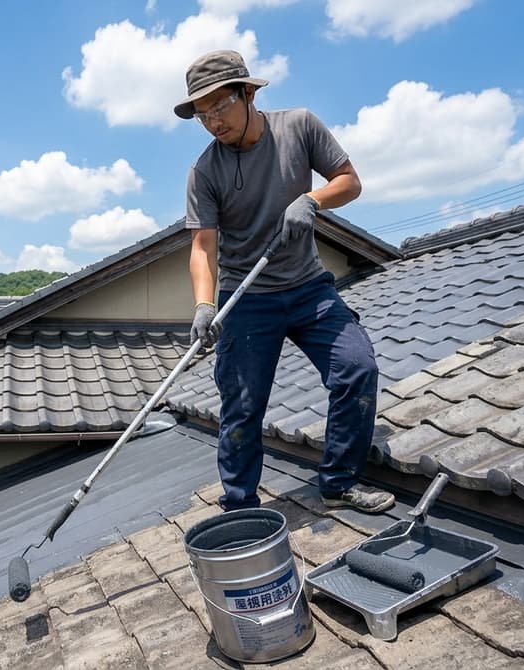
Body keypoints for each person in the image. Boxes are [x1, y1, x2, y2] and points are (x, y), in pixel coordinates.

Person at [176, 49, 394, 514]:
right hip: (246, 296)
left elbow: (349, 181)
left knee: (357, 368)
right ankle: (241, 507)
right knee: (242, 406)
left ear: (248, 93)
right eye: (202, 114)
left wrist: (312, 200)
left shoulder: (299, 126)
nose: (213, 121)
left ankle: (338, 482)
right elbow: (202, 247)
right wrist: (203, 305)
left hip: (309, 287)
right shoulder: (204, 172)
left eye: (220, 107)